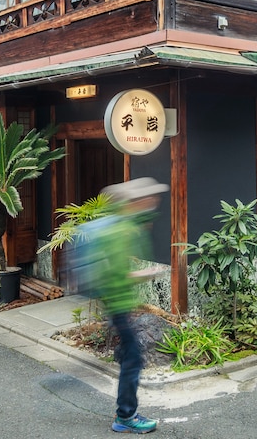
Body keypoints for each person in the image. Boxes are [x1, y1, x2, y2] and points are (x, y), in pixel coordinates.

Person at [98, 177, 169, 435]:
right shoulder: (121, 231)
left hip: (118, 303)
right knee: (134, 360)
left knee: (130, 357)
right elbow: (118, 274)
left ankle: (125, 412)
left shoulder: (122, 225)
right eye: (147, 198)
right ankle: (126, 416)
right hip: (118, 303)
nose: (152, 201)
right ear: (133, 202)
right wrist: (146, 273)